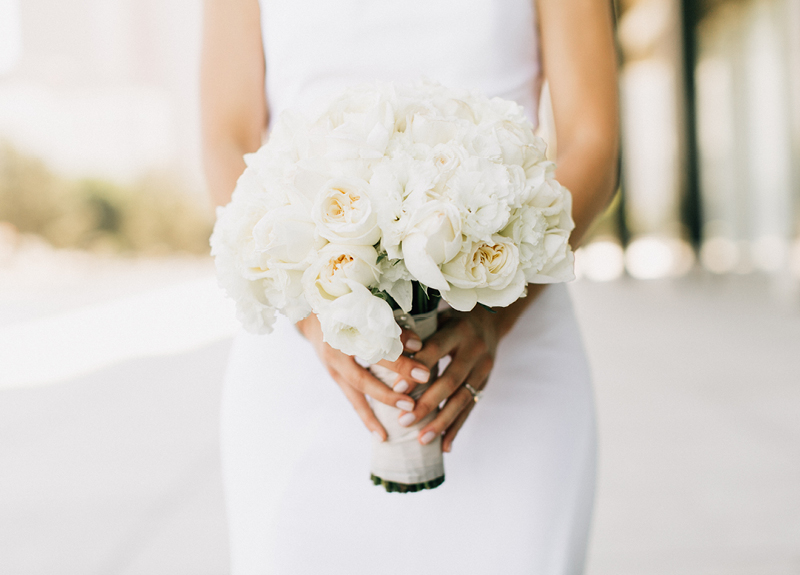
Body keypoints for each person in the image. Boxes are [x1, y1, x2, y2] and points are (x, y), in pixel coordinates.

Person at [201, 0, 618, 572]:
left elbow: (593, 141)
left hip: (514, 355)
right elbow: (225, 139)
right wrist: (313, 316)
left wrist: (496, 312)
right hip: (303, 364)